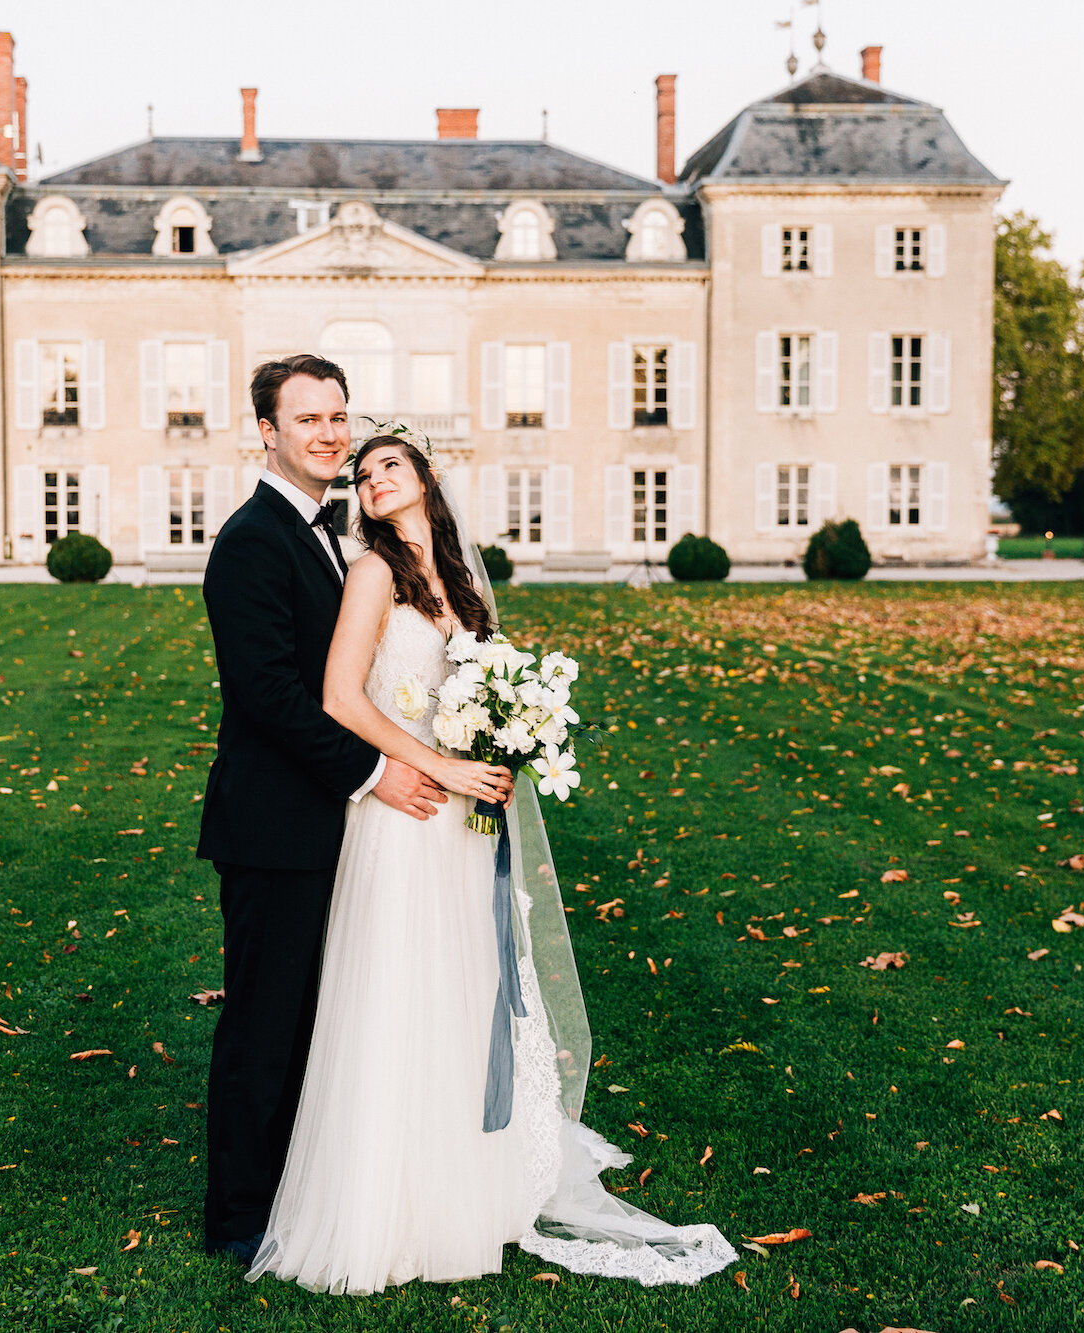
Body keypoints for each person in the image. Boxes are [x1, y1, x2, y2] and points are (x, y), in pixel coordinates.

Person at [244, 430, 738, 1294]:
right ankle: (390, 1206)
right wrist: (439, 764)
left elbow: (478, 689)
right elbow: (337, 696)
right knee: (401, 991)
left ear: (426, 476)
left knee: (465, 993)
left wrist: (505, 742)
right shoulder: (371, 574)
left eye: (390, 464)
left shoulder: (461, 584)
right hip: (408, 811)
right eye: (364, 475)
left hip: (467, 813)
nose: (373, 479)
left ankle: (466, 1183)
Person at [196, 355, 515, 1265]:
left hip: (341, 819)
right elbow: (268, 694)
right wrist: (380, 773)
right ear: (267, 430)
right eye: (309, 421)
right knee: (265, 1020)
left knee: (323, 1014)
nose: (331, 435)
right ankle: (239, 1216)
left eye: (340, 417)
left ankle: (318, 1174)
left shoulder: (333, 535)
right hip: (276, 821)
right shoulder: (254, 538)